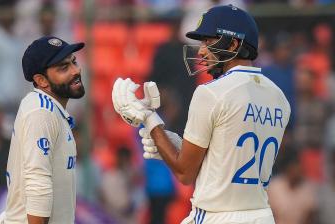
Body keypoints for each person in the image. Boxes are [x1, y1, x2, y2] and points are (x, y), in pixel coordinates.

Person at [112, 5, 291, 224]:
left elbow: (184, 173)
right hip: (261, 214)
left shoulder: (211, 93)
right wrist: (179, 145)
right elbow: (228, 156)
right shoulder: (279, 96)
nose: (201, 51)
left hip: (218, 215)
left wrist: (149, 119)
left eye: (209, 41)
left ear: (233, 44)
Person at [0, 36, 85, 224]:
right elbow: (38, 184)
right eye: (63, 68)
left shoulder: (48, 109)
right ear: (41, 80)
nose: (76, 71)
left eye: (74, 61)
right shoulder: (41, 112)